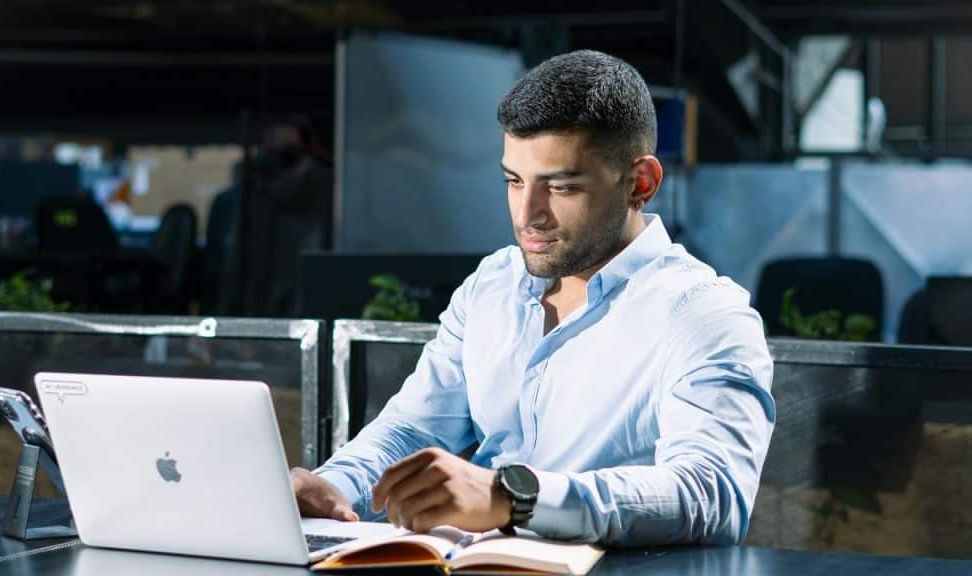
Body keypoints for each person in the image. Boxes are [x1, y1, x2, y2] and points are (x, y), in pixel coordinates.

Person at [291, 50, 775, 546]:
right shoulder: (491, 287)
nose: (528, 215)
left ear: (641, 183)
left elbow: (712, 494)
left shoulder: (704, 314)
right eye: (513, 181)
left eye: (560, 187)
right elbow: (413, 431)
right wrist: (334, 486)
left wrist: (516, 497)